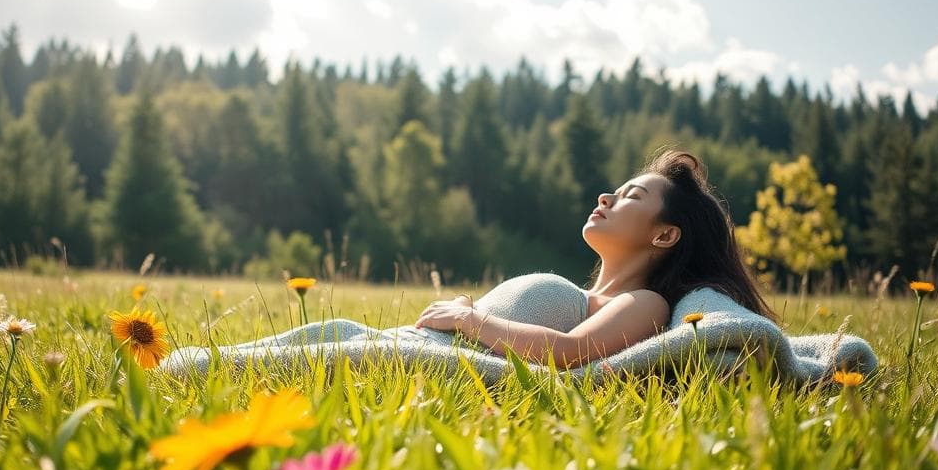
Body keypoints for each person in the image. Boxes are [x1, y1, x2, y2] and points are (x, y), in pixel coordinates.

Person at [162, 150, 775, 373]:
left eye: (632, 196)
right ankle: (191, 363)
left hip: (440, 354)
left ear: (665, 237)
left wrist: (469, 320)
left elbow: (568, 356)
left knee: (315, 359)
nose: (606, 197)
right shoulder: (602, 290)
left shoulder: (643, 304)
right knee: (324, 335)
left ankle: (185, 370)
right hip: (413, 338)